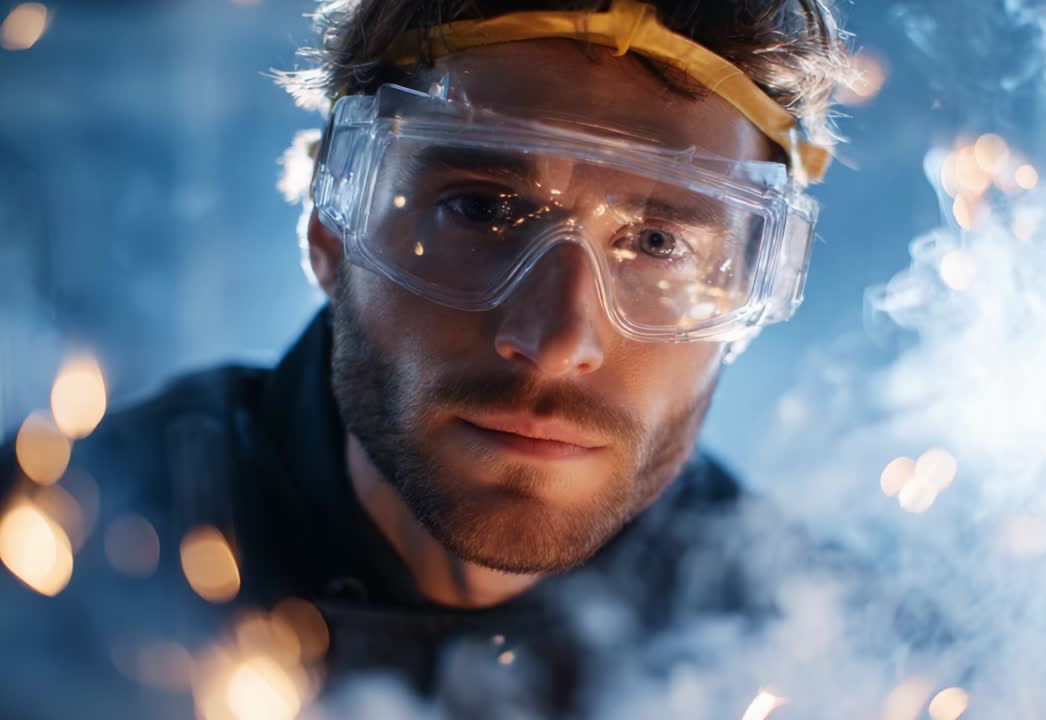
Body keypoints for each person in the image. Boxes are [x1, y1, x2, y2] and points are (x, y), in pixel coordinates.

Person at [0, 1, 851, 716]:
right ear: (332, 226)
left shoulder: (822, 653)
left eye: (658, 242)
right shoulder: (48, 560)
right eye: (481, 209)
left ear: (754, 284)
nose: (556, 341)